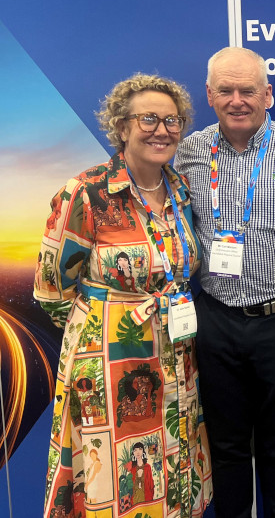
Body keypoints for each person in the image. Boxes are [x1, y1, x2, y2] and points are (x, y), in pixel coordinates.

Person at [35, 73, 212, 517]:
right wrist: (106, 322)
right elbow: (51, 290)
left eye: (173, 121)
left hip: (173, 357)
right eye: (149, 119)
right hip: (109, 362)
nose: (163, 130)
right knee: (115, 471)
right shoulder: (86, 193)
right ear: (122, 125)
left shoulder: (180, 189)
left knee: (166, 459)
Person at [174, 47, 275, 517]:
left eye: (248, 90)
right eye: (225, 90)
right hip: (216, 320)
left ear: (268, 94)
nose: (237, 99)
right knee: (224, 447)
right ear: (209, 95)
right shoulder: (188, 153)